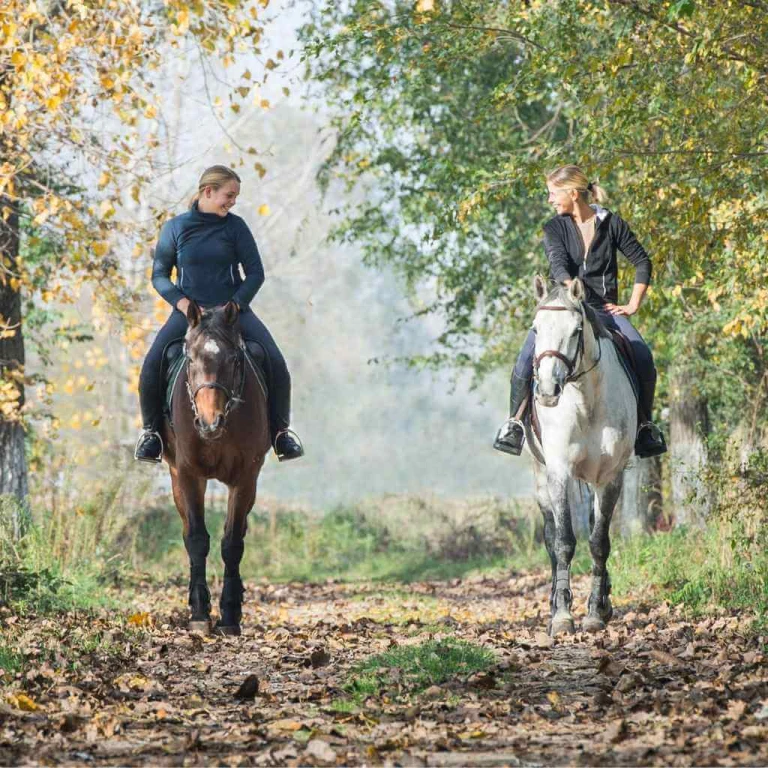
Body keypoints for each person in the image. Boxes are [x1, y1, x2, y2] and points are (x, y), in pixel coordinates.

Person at [493, 165, 667, 459]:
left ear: (573, 193)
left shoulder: (612, 223)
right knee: (524, 360)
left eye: (552, 193)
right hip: (566, 308)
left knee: (643, 357)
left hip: (605, 310)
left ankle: (644, 427)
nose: (549, 200)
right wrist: (569, 284)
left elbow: (642, 261)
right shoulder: (554, 228)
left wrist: (633, 303)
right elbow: (557, 262)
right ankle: (514, 424)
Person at [134, 165, 304, 463]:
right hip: (191, 314)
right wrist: (182, 303)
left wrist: (236, 304)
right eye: (229, 195)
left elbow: (255, 273)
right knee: (152, 364)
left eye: (236, 196)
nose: (233, 201)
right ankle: (152, 435)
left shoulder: (235, 227)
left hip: (231, 313)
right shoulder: (175, 228)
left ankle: (281, 434)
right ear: (208, 192)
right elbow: (160, 275)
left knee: (276, 361)